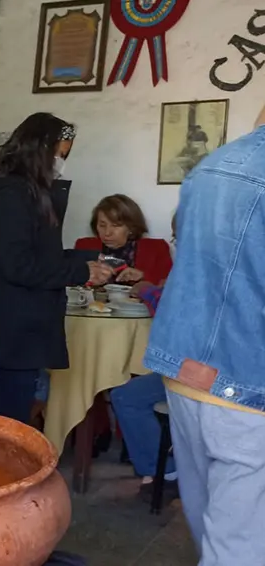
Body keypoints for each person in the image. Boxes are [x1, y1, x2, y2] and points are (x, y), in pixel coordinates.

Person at [143, 104, 265, 564]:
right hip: (247, 378)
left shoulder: (211, 167)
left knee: (211, 525)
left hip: (186, 370)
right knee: (240, 546)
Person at [0, 114, 113, 423]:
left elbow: (39, 254)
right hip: (14, 329)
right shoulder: (12, 198)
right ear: (40, 150)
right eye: (60, 154)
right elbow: (19, 266)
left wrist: (86, 259)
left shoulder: (25, 194)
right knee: (10, 419)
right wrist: (81, 273)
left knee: (12, 413)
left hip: (21, 326)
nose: (61, 163)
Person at [110, 215, 178, 499]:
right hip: (208, 367)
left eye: (178, 237)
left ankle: (167, 472)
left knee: (126, 396)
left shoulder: (203, 265)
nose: (176, 243)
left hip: (204, 374)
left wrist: (148, 289)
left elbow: (174, 310)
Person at [75, 194, 173, 285]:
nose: (107, 233)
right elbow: (72, 283)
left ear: (131, 227)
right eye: (102, 225)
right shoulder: (84, 246)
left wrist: (143, 277)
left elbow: (169, 286)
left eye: (116, 225)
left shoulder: (157, 248)